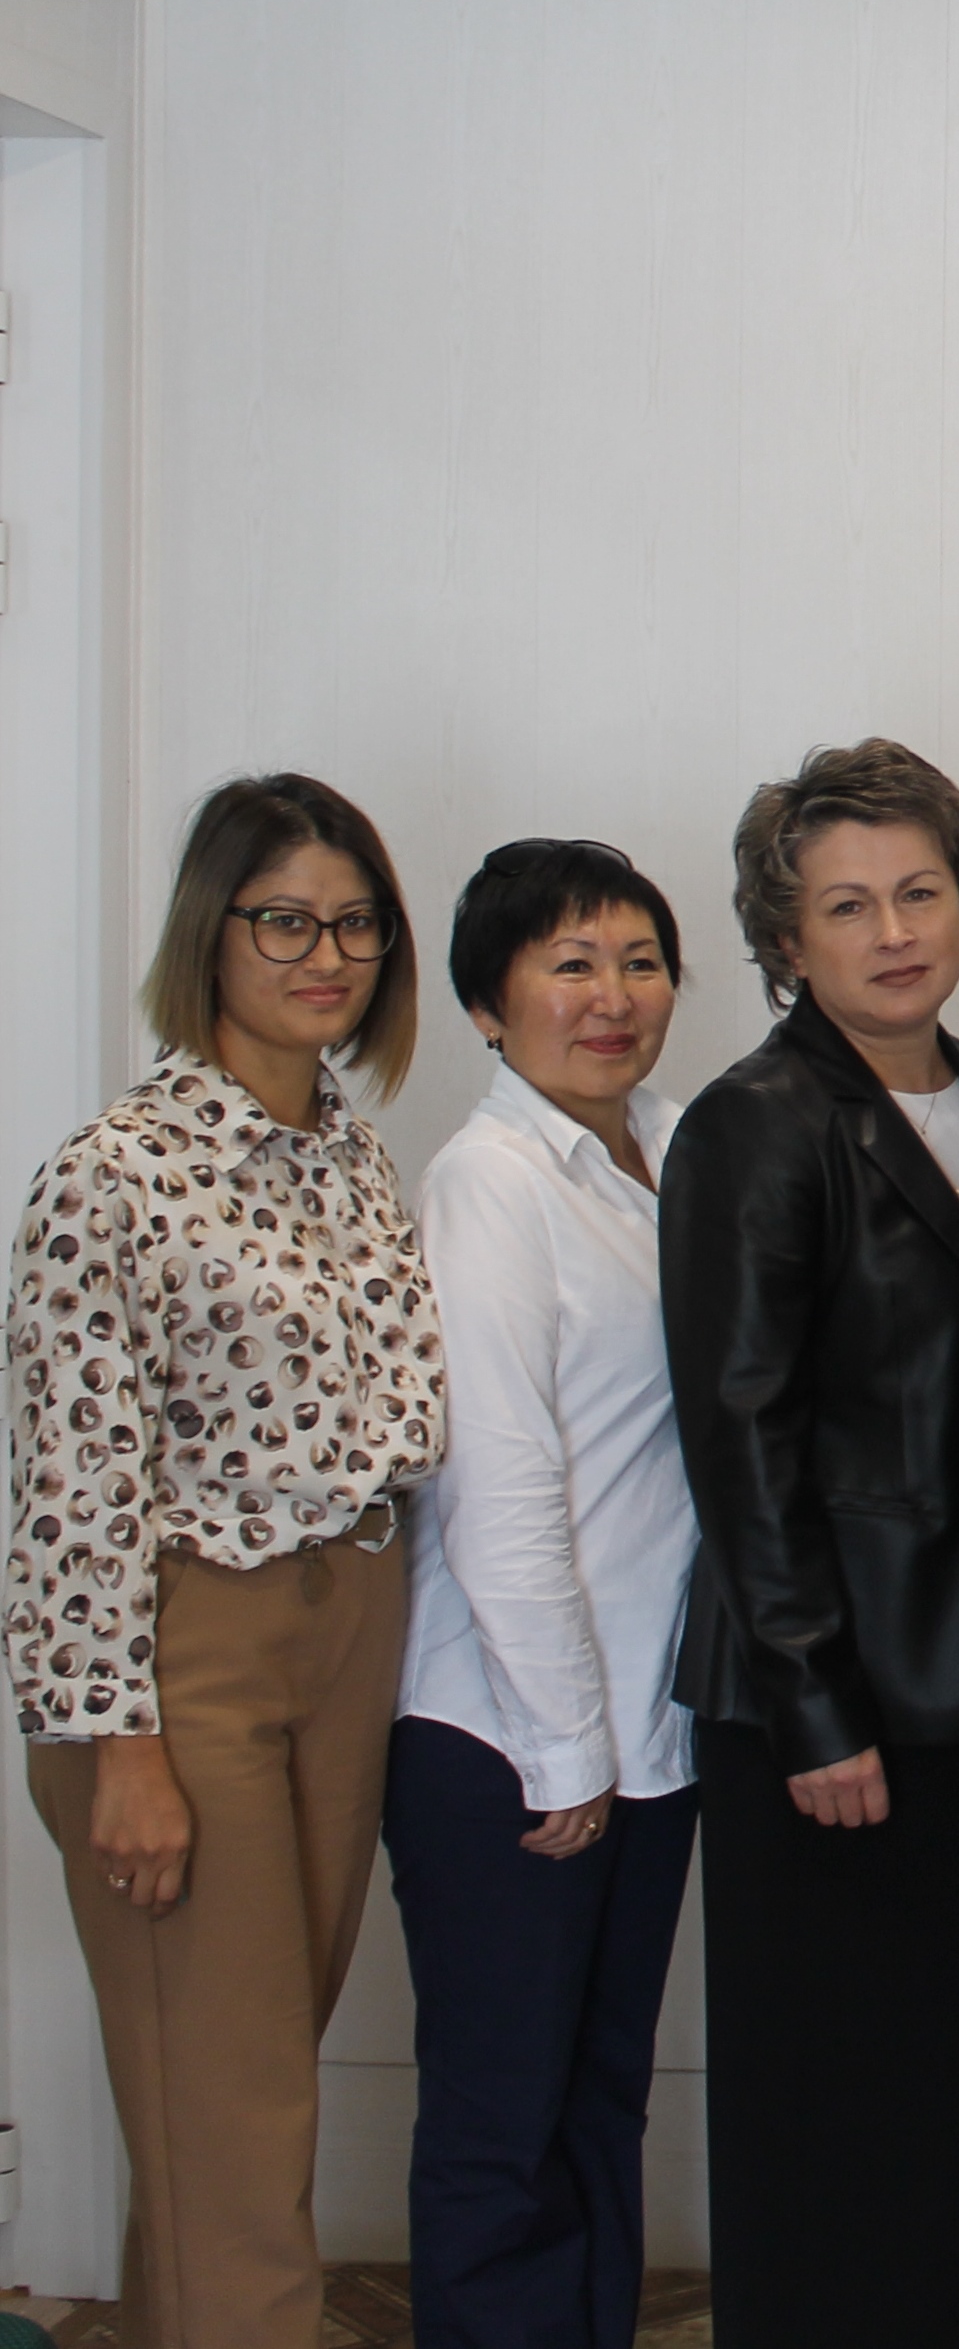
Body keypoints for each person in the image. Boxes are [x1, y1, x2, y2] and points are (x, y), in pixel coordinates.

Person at [6, 773, 445, 2349]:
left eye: (356, 923)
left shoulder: (353, 1156)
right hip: (183, 1648)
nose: (326, 956)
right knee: (237, 2113)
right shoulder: (112, 1172)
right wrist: (117, 1743)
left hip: (351, 1620)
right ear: (212, 930)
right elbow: (70, 1483)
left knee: (233, 2090)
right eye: (285, 921)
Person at [660, 739, 959, 2349]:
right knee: (828, 2123)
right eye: (845, 904)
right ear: (785, 935)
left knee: (945, 2102)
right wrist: (815, 1703)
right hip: (834, 1710)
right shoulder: (756, 1123)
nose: (894, 931)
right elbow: (738, 1437)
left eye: (919, 891)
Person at [390, 840, 703, 2348]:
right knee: (501, 2121)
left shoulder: (675, 1149)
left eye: (638, 961)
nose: (611, 995)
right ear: (486, 1002)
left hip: (649, 1729)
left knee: (599, 2102)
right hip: (508, 1740)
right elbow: (495, 1483)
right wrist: (565, 1749)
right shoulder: (492, 1181)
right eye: (569, 963)